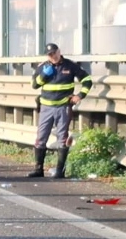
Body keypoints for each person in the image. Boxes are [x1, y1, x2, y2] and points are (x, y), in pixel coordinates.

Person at [28, 43, 93, 178]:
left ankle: (60, 171)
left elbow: (87, 80)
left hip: (63, 107)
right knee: (41, 138)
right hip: (46, 108)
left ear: (59, 51)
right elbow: (34, 85)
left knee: (62, 138)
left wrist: (80, 95)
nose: (53, 56)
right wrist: (44, 76)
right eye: (50, 55)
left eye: (54, 53)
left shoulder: (70, 65)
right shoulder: (43, 66)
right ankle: (38, 169)